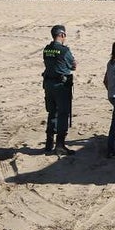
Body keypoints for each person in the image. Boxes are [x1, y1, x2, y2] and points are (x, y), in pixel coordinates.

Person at [42, 25, 77, 156]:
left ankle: (49, 143)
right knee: (63, 114)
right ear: (62, 35)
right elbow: (72, 65)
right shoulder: (64, 50)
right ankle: (60, 145)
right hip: (61, 85)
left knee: (52, 112)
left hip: (48, 83)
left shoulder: (47, 49)